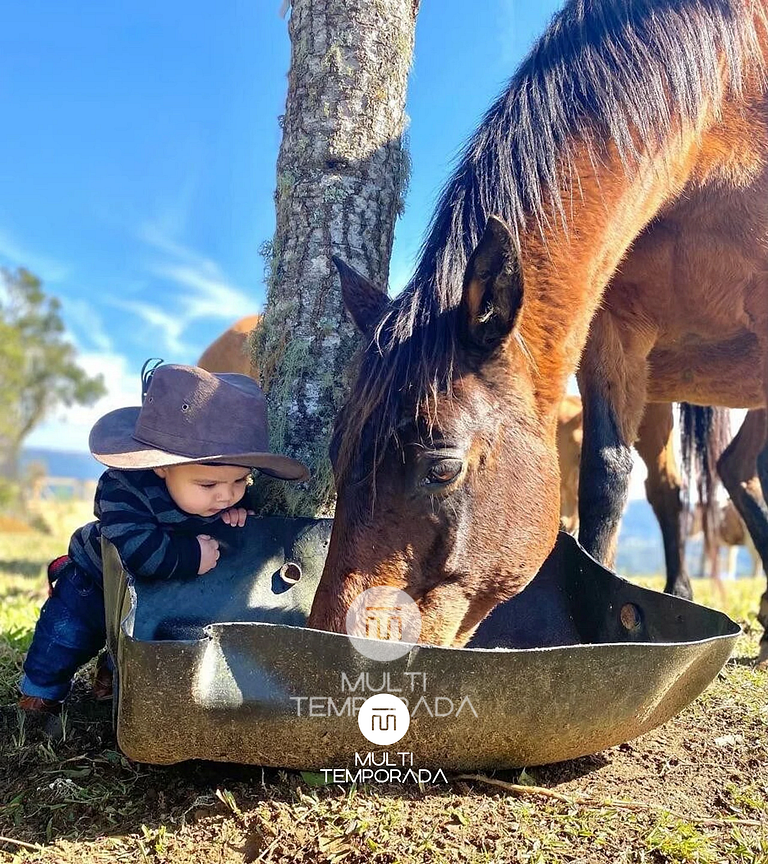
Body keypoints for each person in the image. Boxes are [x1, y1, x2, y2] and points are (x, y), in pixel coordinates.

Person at [19, 361, 308, 713]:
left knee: (142, 633)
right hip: (95, 583)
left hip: (157, 591)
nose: (225, 496)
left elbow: (230, 502)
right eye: (209, 484)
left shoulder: (220, 497)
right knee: (64, 636)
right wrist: (190, 556)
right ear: (161, 466)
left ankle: (111, 679)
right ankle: (39, 693)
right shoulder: (122, 489)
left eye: (240, 481)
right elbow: (137, 552)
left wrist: (239, 513)